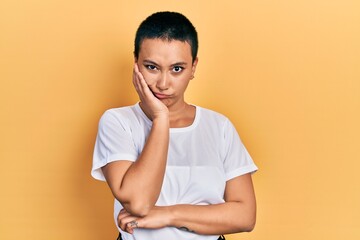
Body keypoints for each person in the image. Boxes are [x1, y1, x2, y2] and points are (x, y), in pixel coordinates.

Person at [91, 11, 258, 240]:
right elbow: (138, 203)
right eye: (151, 67)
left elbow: (245, 216)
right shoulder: (118, 122)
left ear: (193, 67)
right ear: (136, 63)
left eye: (176, 69)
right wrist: (161, 118)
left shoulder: (219, 127)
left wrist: (168, 215)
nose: (163, 83)